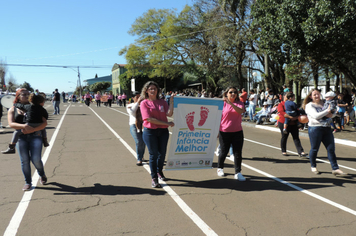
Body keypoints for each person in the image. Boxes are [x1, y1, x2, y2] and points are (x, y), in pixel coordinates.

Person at [7, 89, 48, 191]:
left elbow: (44, 123)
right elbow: (11, 124)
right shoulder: (13, 108)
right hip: (21, 138)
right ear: (18, 96)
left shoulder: (36, 107)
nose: (26, 95)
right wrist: (24, 126)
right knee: (24, 161)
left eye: (27, 94)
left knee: (36, 159)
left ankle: (42, 174)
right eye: (23, 94)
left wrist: (33, 129)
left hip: (36, 135)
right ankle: (28, 182)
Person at [303, 89, 347, 177]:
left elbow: (333, 112)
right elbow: (316, 116)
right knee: (315, 148)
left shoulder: (325, 103)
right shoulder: (309, 105)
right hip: (315, 128)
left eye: (318, 94)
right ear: (310, 96)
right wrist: (327, 112)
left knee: (331, 149)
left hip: (327, 128)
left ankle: (335, 168)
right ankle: (313, 166)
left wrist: (332, 114)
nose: (317, 96)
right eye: (314, 94)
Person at [140, 81, 174, 188]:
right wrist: (167, 123)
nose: (153, 90)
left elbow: (169, 113)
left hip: (163, 132)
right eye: (150, 89)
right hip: (150, 132)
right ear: (146, 91)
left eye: (155, 88)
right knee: (153, 154)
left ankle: (160, 172)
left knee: (162, 153)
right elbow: (149, 119)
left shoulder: (162, 102)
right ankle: (154, 178)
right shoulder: (144, 103)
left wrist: (172, 102)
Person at [217, 86, 246, 181]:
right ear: (226, 93)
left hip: (237, 132)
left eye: (235, 92)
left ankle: (238, 172)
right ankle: (220, 168)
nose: (233, 93)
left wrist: (231, 103)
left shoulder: (240, 103)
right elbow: (217, 117)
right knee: (223, 151)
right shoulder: (222, 104)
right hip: (224, 131)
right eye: (231, 92)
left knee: (238, 153)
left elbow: (240, 111)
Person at [277, 93, 308, 157]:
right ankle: (284, 150)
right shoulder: (281, 104)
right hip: (284, 123)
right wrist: (290, 117)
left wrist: (297, 117)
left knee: (296, 137)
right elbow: (282, 112)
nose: (286, 97)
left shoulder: (293, 103)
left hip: (294, 123)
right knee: (284, 136)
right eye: (285, 96)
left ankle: (301, 151)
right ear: (284, 96)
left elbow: (297, 110)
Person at [127, 91, 146, 166]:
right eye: (137, 97)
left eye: (139, 97)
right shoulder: (130, 105)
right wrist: (137, 103)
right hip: (134, 125)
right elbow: (132, 112)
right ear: (133, 98)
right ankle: (139, 159)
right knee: (138, 141)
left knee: (143, 142)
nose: (139, 98)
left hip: (144, 125)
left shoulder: (143, 104)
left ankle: (141, 155)